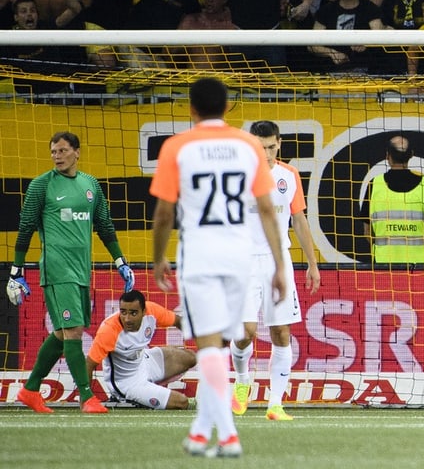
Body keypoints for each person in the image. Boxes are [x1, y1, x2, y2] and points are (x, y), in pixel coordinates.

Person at [151, 78, 286, 458]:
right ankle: (200, 432)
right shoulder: (246, 145)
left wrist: (159, 256)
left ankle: (226, 435)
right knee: (222, 345)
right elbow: (264, 208)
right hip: (239, 253)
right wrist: (278, 263)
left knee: (210, 345)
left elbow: (164, 213)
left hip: (200, 253)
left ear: (191, 108)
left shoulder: (177, 147)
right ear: (228, 108)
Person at [7, 131, 135, 414]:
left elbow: (104, 225)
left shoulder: (90, 185)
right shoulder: (41, 186)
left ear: (77, 152)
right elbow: (26, 227)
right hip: (56, 268)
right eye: (53, 152)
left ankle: (30, 390)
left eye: (63, 151)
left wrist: (120, 261)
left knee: (65, 334)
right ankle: (87, 397)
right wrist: (16, 271)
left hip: (81, 271)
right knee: (74, 331)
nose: (57, 156)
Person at [231, 121, 320, 421]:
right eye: (260, 147)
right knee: (246, 333)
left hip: (278, 261)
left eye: (271, 147)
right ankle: (242, 381)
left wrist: (312, 263)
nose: (266, 153)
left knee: (282, 332)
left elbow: (299, 220)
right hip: (244, 261)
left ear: (279, 144)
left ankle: (275, 404)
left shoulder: (289, 175)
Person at [86, 289, 196, 410]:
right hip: (127, 383)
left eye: (133, 313)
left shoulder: (152, 311)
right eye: (123, 312)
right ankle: (138, 395)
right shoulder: (109, 330)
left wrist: (203, 342)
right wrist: (87, 399)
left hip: (144, 362)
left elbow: (178, 321)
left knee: (191, 357)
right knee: (182, 402)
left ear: (144, 311)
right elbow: (89, 365)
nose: (127, 319)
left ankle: (150, 390)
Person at [360, 134, 424, 264]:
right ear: (411, 155)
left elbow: (367, 232)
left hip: (384, 264)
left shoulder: (374, 185)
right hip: (419, 266)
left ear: (387, 156)